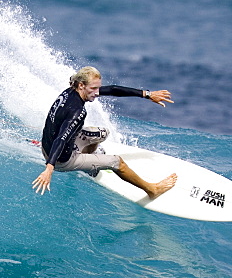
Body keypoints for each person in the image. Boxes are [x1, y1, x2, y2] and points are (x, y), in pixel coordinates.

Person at [31, 66, 178, 198]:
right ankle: (152, 189)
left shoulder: (71, 90)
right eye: (93, 89)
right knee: (117, 162)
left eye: (98, 88)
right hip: (61, 159)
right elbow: (61, 139)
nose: (97, 93)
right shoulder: (78, 111)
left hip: (48, 146)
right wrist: (49, 169)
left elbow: (113, 89)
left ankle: (88, 161)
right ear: (81, 85)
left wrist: (147, 94)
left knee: (103, 133)